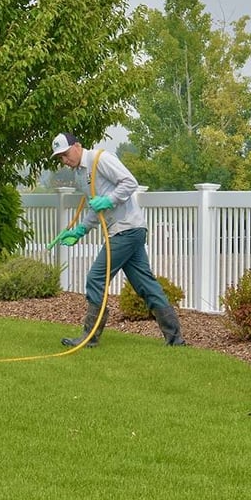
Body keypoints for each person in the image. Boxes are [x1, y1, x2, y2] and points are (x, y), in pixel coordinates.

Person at [48, 132, 185, 347]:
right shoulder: (79, 175)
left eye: (66, 154)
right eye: (60, 158)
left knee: (95, 278)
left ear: (77, 146)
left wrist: (109, 200)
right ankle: (175, 339)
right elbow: (95, 206)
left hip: (126, 229)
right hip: (127, 230)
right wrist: (80, 231)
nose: (65, 160)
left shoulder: (100, 159)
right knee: (145, 285)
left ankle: (90, 337)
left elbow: (130, 182)